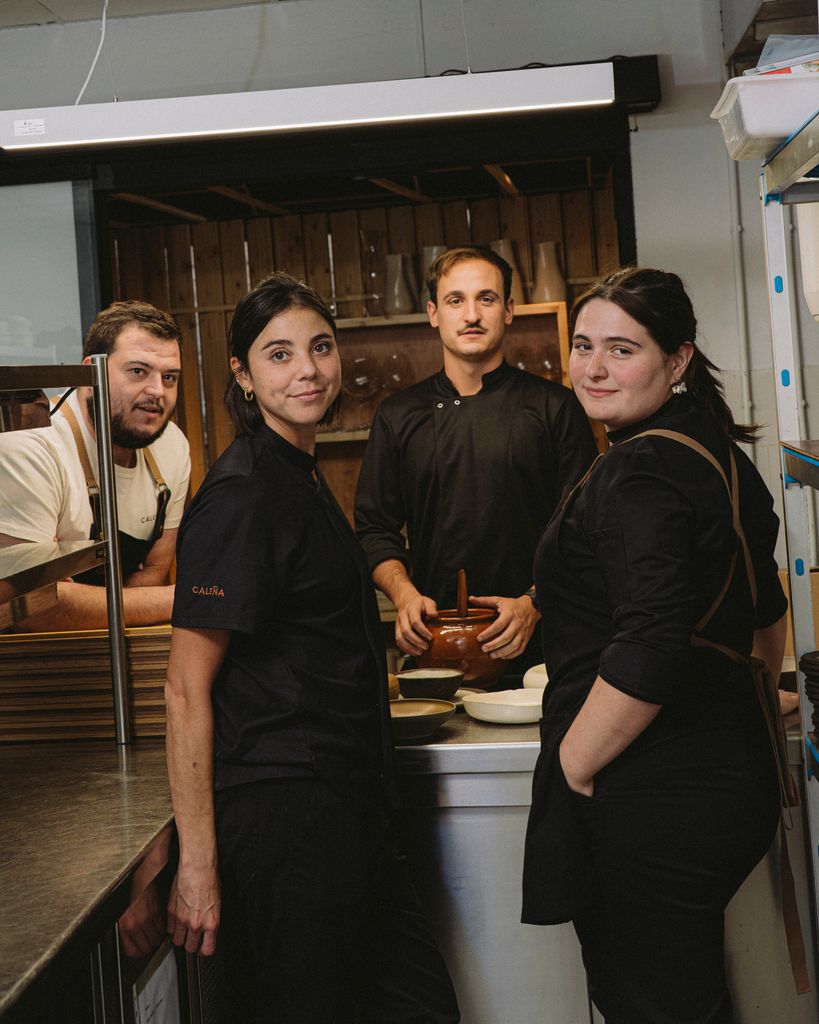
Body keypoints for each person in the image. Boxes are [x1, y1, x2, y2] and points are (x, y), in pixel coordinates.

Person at [165, 272, 459, 1024]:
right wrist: (197, 863)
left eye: (320, 348)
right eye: (278, 354)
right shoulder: (242, 494)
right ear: (241, 372)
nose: (307, 370)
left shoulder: (299, 473)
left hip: (346, 807)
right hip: (285, 816)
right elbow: (185, 688)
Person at [521, 267, 789, 1023]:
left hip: (650, 794)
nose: (593, 368)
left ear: (676, 360)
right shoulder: (714, 453)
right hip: (724, 779)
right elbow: (764, 616)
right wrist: (746, 704)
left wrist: (573, 764)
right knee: (685, 998)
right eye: (581, 346)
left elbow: (651, 642)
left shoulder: (638, 469)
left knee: (651, 1004)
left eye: (621, 349)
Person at [355, 245, 597, 678]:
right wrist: (405, 596)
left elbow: (585, 526)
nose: (471, 314)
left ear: (508, 310)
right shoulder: (398, 415)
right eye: (455, 300)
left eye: (485, 299)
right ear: (433, 313)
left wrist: (534, 603)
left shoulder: (555, 408)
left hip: (542, 650)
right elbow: (374, 528)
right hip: (435, 645)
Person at [0, 300, 190, 630]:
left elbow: (155, 570)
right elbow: (24, 606)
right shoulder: (32, 447)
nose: (157, 391)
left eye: (169, 377)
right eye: (138, 371)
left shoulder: (171, 444)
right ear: (91, 373)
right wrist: (187, 600)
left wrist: (74, 600)